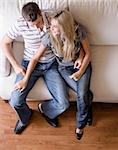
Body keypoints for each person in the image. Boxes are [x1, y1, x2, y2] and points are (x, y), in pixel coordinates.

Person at [15, 9, 93, 140]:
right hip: (64, 69)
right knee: (84, 94)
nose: (50, 28)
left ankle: (80, 126)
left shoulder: (78, 31)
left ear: (65, 27)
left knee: (83, 94)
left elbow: (88, 53)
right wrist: (25, 79)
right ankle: (87, 111)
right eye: (51, 25)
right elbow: (34, 58)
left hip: (82, 67)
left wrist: (80, 69)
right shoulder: (49, 37)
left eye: (55, 26)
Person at [1, 2, 69, 134]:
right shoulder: (20, 24)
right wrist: (15, 65)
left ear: (40, 14)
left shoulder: (51, 18)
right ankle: (25, 118)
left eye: (39, 23)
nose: (37, 27)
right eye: (33, 25)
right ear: (26, 21)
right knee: (15, 100)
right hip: (29, 63)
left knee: (64, 104)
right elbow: (4, 43)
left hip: (51, 64)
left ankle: (46, 110)